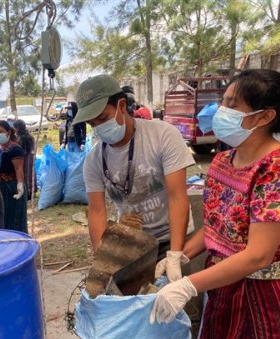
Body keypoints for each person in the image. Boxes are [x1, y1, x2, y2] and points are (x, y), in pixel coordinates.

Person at [150, 69, 280, 339]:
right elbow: (217, 224)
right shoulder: (224, 160)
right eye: (224, 100)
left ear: (264, 117)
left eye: (233, 104)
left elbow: (259, 255)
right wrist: (181, 255)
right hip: (224, 288)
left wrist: (187, 285)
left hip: (269, 299)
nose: (221, 111)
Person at [73, 74, 195, 277]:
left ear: (121, 106)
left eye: (102, 118)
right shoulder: (94, 160)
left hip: (174, 237)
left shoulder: (163, 136)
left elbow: (177, 197)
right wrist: (103, 257)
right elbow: (96, 212)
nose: (98, 127)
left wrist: (174, 254)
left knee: (173, 300)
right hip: (132, 244)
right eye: (92, 123)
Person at [0, 120, 28, 233]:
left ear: (8, 132)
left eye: (0, 131)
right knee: (3, 217)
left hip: (11, 186)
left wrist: (20, 185)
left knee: (14, 218)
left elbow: (19, 169)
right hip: (0, 186)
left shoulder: (15, 149)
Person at [13, 119, 37, 200]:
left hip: (23, 158)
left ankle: (25, 192)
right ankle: (31, 191)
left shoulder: (18, 138)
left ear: (17, 128)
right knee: (30, 174)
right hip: (30, 157)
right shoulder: (30, 136)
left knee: (23, 175)